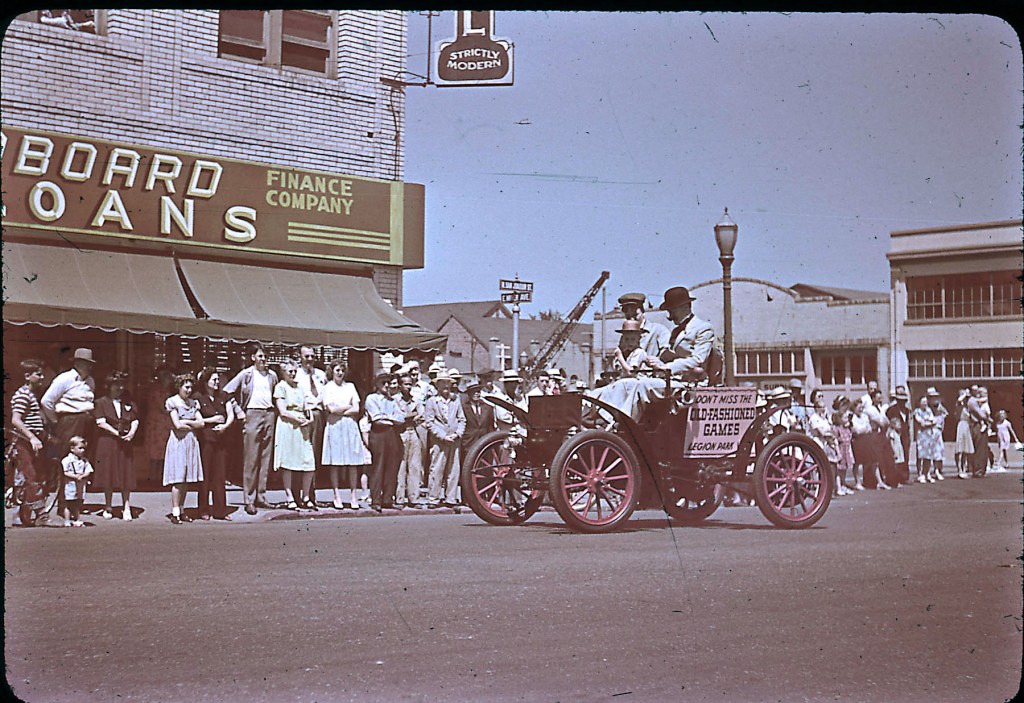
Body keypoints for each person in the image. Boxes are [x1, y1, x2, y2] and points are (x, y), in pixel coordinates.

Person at [223, 342, 279, 514]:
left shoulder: (272, 375)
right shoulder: (246, 374)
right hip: (252, 414)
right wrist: (238, 411)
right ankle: (249, 498)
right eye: (260, 356)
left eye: (265, 356)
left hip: (269, 414)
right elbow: (227, 391)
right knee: (251, 458)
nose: (263, 359)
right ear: (253, 357)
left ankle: (261, 496)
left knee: (265, 457)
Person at [41, 347, 97, 511]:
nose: (88, 367)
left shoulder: (90, 381)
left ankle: (76, 503)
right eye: (85, 363)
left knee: (81, 461)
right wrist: (55, 421)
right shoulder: (64, 379)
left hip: (86, 421)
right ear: (77, 363)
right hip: (69, 422)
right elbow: (46, 401)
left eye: (90, 363)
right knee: (66, 461)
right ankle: (63, 505)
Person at [92, 371, 139, 521]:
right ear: (109, 386)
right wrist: (116, 433)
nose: (120, 388)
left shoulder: (129, 401)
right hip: (108, 441)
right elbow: (100, 422)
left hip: (125, 442)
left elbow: (135, 419)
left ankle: (126, 506)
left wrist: (131, 433)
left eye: (122, 384)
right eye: (116, 385)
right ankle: (108, 506)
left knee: (126, 473)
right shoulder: (101, 402)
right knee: (108, 472)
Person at [272, 357, 316, 510]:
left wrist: (309, 419)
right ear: (283, 372)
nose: (293, 374)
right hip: (288, 425)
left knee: (308, 462)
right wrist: (296, 419)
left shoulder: (300, 387)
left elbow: (307, 406)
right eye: (290, 371)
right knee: (288, 462)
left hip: (302, 425)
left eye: (294, 371)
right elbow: (283, 411)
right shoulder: (280, 387)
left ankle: (306, 496)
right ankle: (289, 496)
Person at [321, 359, 364, 510]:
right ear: (332, 371)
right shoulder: (328, 387)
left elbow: (356, 409)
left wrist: (341, 409)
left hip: (349, 425)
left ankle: (353, 496)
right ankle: (336, 495)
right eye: (337, 370)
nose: (340, 373)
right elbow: (331, 409)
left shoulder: (350, 386)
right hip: (335, 425)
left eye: (342, 370)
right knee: (335, 461)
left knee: (352, 462)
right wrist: (347, 406)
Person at [10, 359, 48, 525]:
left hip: (34, 441)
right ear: (27, 376)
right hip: (25, 442)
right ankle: (40, 514)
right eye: (38, 374)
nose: (42, 377)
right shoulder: (23, 395)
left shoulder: (31, 395)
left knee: (29, 477)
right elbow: (16, 420)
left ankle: (21, 516)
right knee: (30, 477)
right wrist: (31, 437)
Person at [195, 367, 236, 520]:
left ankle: (220, 510)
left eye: (218, 379)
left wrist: (225, 426)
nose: (217, 382)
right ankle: (203, 509)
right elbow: (196, 418)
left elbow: (230, 414)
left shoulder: (223, 396)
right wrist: (212, 420)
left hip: (221, 440)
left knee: (220, 475)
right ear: (206, 382)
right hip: (206, 439)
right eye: (214, 379)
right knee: (205, 475)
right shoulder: (198, 398)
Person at [164, 373, 205, 524]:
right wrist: (192, 423)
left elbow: (201, 423)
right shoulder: (173, 402)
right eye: (186, 387)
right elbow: (177, 425)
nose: (189, 390)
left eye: (190, 387)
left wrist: (186, 421)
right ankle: (175, 512)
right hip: (178, 442)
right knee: (178, 478)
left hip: (190, 441)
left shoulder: (194, 403)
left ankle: (182, 510)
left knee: (186, 478)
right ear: (179, 387)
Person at [424, 373, 466, 508]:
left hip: (454, 439)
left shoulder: (455, 400)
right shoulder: (432, 401)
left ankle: (451, 498)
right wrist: (442, 436)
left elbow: (462, 419)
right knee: (437, 468)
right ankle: (433, 498)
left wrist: (457, 434)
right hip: (439, 440)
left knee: (453, 469)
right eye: (442, 383)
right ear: (437, 385)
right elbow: (429, 422)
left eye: (448, 383)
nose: (446, 386)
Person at [364, 373, 405, 511]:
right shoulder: (372, 398)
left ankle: (387, 498)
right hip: (378, 434)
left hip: (392, 434)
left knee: (392, 466)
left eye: (388, 382)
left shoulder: (392, 400)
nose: (387, 385)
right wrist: (391, 418)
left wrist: (387, 417)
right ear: (376, 383)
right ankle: (376, 500)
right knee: (378, 466)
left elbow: (401, 418)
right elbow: (376, 419)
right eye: (383, 382)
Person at [295, 345, 327, 506]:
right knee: (299, 454)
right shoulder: (295, 374)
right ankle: (297, 493)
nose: (309, 359)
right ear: (300, 357)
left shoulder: (321, 375)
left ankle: (310, 494)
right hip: (302, 415)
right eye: (306, 356)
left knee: (314, 454)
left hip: (318, 415)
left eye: (312, 356)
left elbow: (325, 395)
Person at [395, 372, 427, 509]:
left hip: (413, 432)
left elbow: (422, 415)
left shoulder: (416, 400)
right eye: (405, 384)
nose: (408, 387)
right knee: (401, 466)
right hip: (400, 433)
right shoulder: (395, 400)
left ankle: (414, 498)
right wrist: (412, 415)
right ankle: (399, 498)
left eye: (410, 384)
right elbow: (398, 418)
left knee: (415, 465)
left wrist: (410, 416)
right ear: (400, 385)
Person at [807, 390, 845, 496]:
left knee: (832, 465)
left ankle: (834, 488)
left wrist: (832, 436)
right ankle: (821, 488)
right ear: (816, 408)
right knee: (821, 464)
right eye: (821, 407)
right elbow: (822, 433)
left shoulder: (825, 418)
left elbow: (831, 429)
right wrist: (830, 435)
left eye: (824, 407)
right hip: (818, 441)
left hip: (828, 442)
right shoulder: (814, 418)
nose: (823, 409)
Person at [143, 365, 175, 486]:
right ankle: (153, 478)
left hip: (164, 424)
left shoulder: (168, 390)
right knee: (155, 451)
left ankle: (161, 477)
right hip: (156, 423)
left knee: (163, 451)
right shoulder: (157, 390)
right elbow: (163, 407)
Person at [617, 291, 671, 358]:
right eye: (628, 317)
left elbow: (667, 354)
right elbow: (617, 358)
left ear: (643, 312)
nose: (632, 319)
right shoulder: (625, 336)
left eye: (635, 315)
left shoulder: (658, 330)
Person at [863, 388, 893, 489]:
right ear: (873, 399)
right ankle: (875, 481)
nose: (880, 399)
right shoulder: (870, 410)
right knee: (874, 458)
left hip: (881, 435)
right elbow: (880, 422)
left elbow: (887, 421)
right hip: (873, 435)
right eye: (878, 398)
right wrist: (883, 422)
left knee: (883, 457)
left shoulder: (880, 408)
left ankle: (883, 479)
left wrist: (885, 422)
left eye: (881, 397)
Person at [61, 436, 93, 527]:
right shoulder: (67, 460)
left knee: (77, 503)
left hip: (80, 485)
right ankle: (67, 520)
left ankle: (77, 519)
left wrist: (82, 476)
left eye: (84, 448)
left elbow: (88, 470)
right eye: (80, 448)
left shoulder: (85, 461)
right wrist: (75, 477)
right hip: (70, 485)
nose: (82, 450)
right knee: (68, 503)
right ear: (72, 448)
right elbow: (64, 472)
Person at [914, 391, 944, 482]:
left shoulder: (929, 411)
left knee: (928, 455)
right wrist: (929, 423)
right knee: (921, 455)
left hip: (929, 435)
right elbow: (921, 423)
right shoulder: (917, 412)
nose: (925, 403)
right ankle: (920, 474)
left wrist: (928, 423)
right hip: (921, 435)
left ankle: (927, 473)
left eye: (926, 402)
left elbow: (934, 421)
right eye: (923, 402)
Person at [885, 386, 912, 486]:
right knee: (896, 457)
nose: (902, 403)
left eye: (904, 401)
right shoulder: (892, 410)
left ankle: (904, 477)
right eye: (900, 401)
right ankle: (896, 477)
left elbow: (908, 422)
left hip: (905, 435)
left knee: (905, 455)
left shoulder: (907, 410)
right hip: (896, 435)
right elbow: (889, 420)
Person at [965, 386, 991, 478]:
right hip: (976, 425)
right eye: (976, 391)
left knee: (982, 448)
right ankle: (978, 470)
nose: (977, 393)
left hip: (978, 425)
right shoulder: (972, 401)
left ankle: (980, 469)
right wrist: (988, 419)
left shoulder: (977, 400)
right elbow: (982, 415)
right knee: (980, 448)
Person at [461, 382, 495, 451]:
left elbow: (490, 426)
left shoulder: (488, 408)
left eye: (478, 391)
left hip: (485, 443)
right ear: (469, 393)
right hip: (469, 443)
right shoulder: (463, 408)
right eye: (473, 392)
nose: (476, 393)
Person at [849, 398, 874, 491]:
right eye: (859, 407)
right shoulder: (852, 418)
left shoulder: (865, 417)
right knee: (857, 462)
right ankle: (857, 482)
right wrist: (864, 429)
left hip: (865, 441)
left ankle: (866, 480)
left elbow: (869, 428)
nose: (861, 409)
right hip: (857, 441)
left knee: (866, 461)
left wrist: (863, 429)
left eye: (862, 407)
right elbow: (856, 430)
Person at [832, 396, 855, 494]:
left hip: (846, 449)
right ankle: (839, 487)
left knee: (844, 468)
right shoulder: (837, 428)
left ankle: (843, 484)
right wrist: (838, 452)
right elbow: (835, 440)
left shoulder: (846, 428)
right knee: (839, 470)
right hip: (841, 449)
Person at [954, 388, 975, 477]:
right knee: (960, 449)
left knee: (966, 450)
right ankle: (959, 469)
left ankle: (964, 468)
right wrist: (965, 394)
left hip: (967, 426)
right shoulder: (959, 405)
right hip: (961, 425)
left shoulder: (967, 407)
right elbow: (959, 400)